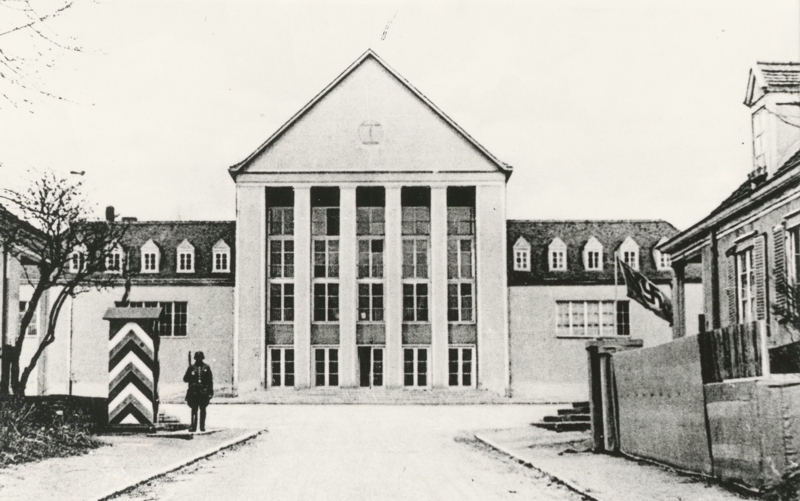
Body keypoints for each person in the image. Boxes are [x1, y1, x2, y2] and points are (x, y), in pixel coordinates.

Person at [183, 351, 213, 432]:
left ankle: (202, 426)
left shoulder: (206, 368)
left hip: (203, 392)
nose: (199, 360)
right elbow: (185, 379)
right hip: (194, 392)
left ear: (202, 358)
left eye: (200, 358)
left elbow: (210, 381)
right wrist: (189, 374)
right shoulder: (191, 368)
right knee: (194, 409)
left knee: (203, 409)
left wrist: (210, 392)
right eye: (197, 358)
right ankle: (193, 426)